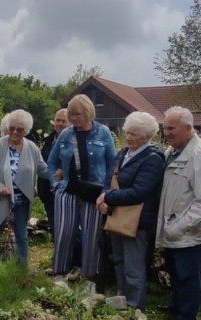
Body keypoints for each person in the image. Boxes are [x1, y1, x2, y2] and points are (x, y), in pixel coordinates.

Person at [47, 94, 116, 292]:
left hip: (93, 194)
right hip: (67, 191)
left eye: (77, 114)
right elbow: (52, 163)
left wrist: (106, 190)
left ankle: (90, 279)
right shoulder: (66, 134)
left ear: (88, 113)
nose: (73, 118)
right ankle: (59, 273)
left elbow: (112, 163)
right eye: (71, 114)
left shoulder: (103, 133)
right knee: (63, 233)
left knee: (91, 236)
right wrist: (55, 184)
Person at [96, 112, 164, 310]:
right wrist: (104, 195)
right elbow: (110, 177)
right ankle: (122, 300)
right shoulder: (124, 152)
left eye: (133, 134)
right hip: (117, 216)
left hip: (137, 221)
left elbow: (140, 191)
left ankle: (135, 308)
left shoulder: (152, 158)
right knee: (118, 259)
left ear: (146, 136)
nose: (128, 137)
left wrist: (108, 197)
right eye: (127, 132)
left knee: (133, 266)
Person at [0, 109, 47, 264]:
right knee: (2, 236)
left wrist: (59, 175)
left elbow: (42, 169)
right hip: (1, 200)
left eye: (20, 129)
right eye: (12, 128)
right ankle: (4, 271)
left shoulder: (31, 148)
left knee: (22, 236)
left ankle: (21, 271)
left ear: (27, 130)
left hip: (22, 200)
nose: (15, 132)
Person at [155, 106, 201, 319]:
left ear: (188, 128)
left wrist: (179, 226)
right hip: (172, 230)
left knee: (187, 278)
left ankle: (186, 315)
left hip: (188, 235)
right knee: (175, 274)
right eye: (165, 128)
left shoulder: (197, 156)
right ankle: (177, 309)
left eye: (171, 128)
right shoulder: (172, 152)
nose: (166, 133)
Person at [38, 108, 70, 235]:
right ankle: (58, 253)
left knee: (67, 229)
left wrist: (65, 172)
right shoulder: (49, 140)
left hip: (66, 192)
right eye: (58, 120)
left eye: (64, 121)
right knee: (55, 227)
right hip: (48, 192)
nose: (60, 124)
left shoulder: (74, 141)